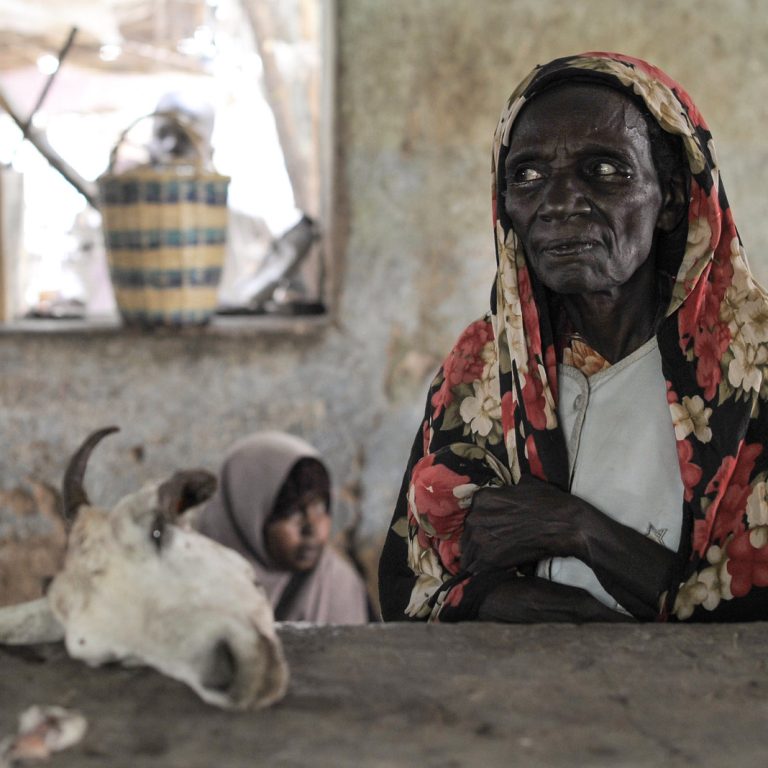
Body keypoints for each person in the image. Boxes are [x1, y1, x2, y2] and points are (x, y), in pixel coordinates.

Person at [378, 52, 768, 623]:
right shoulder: (482, 367)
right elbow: (408, 583)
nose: (559, 203)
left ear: (673, 200)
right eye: (528, 176)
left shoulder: (749, 373)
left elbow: (752, 610)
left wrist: (575, 527)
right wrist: (515, 602)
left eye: (606, 170)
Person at [198, 431, 369, 624]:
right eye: (291, 512)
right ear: (247, 517)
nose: (311, 528)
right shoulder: (194, 587)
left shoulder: (335, 584)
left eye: (321, 508)